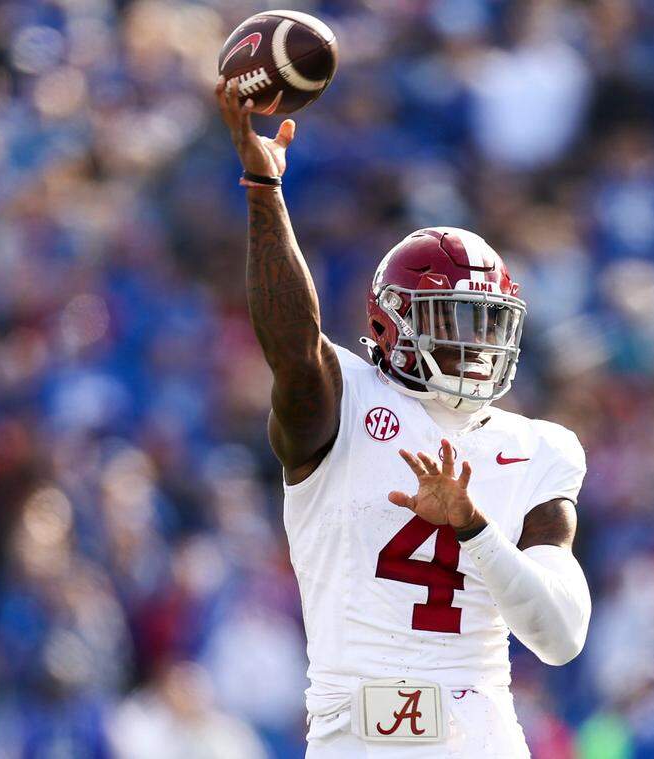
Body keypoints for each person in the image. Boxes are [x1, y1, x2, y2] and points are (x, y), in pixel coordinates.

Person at [214, 76, 592, 757]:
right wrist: (265, 194)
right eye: (451, 321)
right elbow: (294, 344)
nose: (474, 345)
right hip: (355, 736)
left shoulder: (536, 446)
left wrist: (474, 528)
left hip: (480, 736)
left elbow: (561, 635)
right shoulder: (342, 398)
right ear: (392, 325)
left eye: (486, 325)